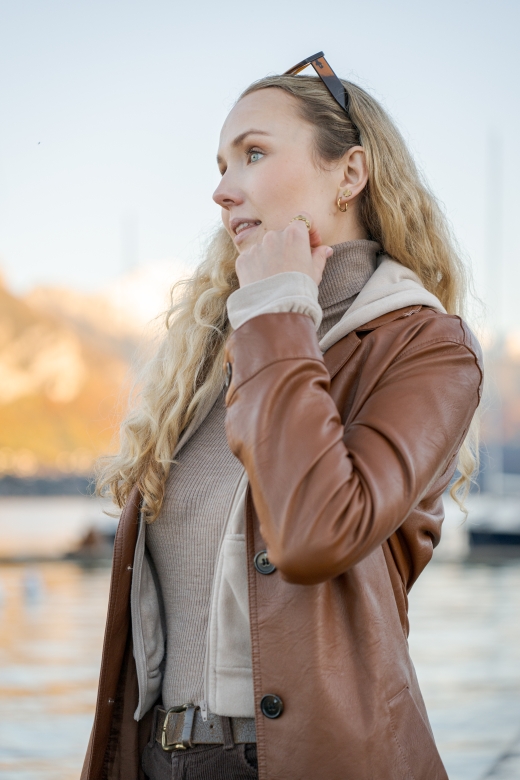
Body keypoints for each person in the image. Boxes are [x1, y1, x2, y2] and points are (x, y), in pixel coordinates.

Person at [81, 53, 482, 780]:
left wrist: (279, 308)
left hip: (306, 760)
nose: (222, 190)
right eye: (221, 163)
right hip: (161, 758)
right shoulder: (216, 349)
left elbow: (315, 534)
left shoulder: (425, 346)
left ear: (349, 174)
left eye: (253, 154)